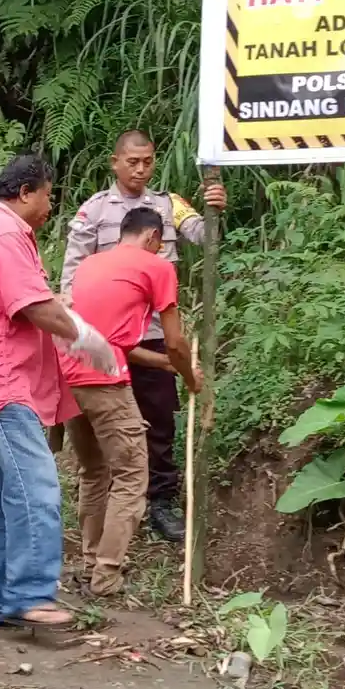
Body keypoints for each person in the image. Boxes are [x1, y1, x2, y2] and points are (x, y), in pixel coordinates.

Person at [0, 153, 116, 630]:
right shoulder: (3, 233)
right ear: (25, 193)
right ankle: (30, 594)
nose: (50, 205)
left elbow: (36, 301)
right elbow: (35, 306)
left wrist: (70, 322)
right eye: (48, 195)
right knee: (35, 487)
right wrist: (84, 338)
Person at [60, 130, 227, 542]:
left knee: (158, 419)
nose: (140, 169)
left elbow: (207, 239)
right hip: (103, 336)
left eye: (148, 161)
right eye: (132, 162)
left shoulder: (169, 205)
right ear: (114, 162)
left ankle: (160, 501)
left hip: (153, 331)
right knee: (100, 419)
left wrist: (215, 208)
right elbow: (71, 272)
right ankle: (106, 504)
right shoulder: (95, 210)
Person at [61, 208, 202, 596]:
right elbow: (174, 340)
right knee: (132, 476)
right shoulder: (157, 268)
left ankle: (91, 562)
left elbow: (119, 342)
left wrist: (167, 367)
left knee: (93, 473)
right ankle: (107, 576)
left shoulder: (91, 264)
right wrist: (191, 375)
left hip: (70, 379)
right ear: (154, 237)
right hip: (106, 382)